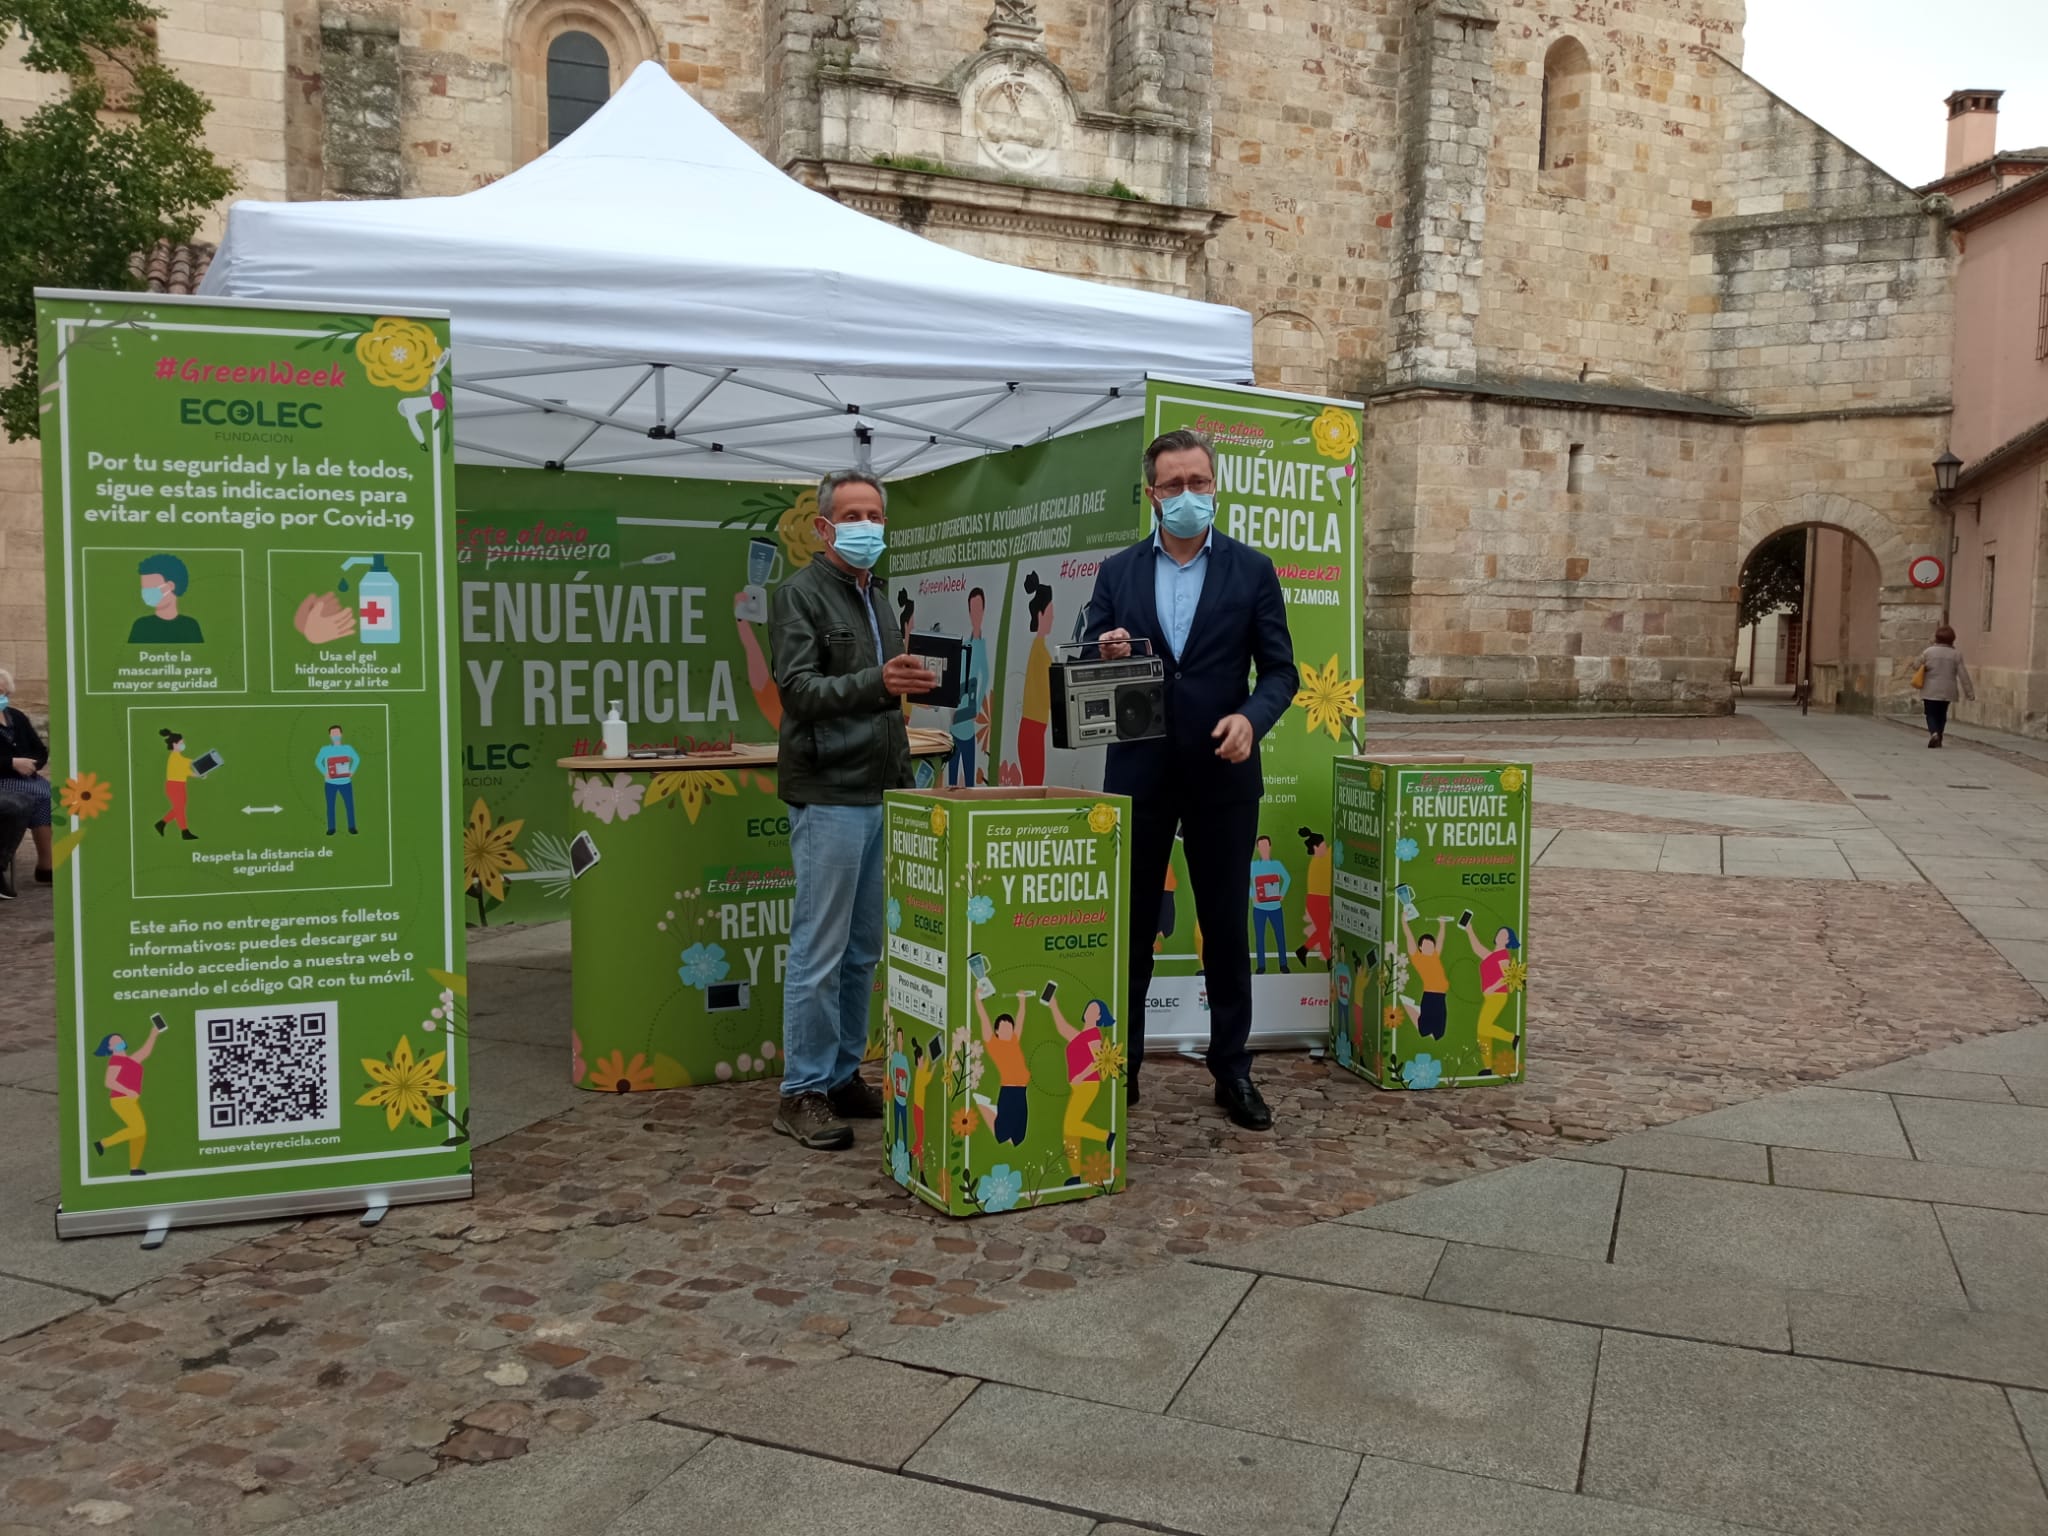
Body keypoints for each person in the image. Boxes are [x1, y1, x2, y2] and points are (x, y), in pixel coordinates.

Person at [1085, 428, 1298, 1130]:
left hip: (1222, 773)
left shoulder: (1252, 569)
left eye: (1197, 483)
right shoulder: (1117, 572)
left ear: (1215, 486)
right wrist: (1103, 648)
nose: (1186, 496)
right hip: (1141, 771)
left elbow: (1281, 671)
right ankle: (1125, 1065)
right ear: (1151, 494)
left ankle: (1232, 1071)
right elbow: (1089, 654)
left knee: (1225, 929)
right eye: (1172, 485)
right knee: (1133, 927)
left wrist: (1252, 719)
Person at [769, 468, 934, 1150]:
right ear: (824, 526)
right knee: (819, 950)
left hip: (880, 788)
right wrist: (877, 680)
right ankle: (800, 1091)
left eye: (876, 515)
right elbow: (798, 690)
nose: (868, 526)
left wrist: (905, 678)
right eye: (854, 515)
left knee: (863, 951)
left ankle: (841, 1075)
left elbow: (878, 691)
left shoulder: (880, 596)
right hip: (830, 792)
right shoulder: (799, 595)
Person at [0, 669, 53, 900]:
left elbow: (39, 749)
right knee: (36, 795)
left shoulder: (16, 716)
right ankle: (46, 866)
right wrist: (12, 763)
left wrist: (34, 764)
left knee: (48, 793)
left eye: (3, 690)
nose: (1, 694)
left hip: (25, 777)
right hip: (3, 778)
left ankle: (46, 864)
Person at [92, 1018, 167, 1176]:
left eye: (121, 1040)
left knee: (140, 1133)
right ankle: (103, 1143)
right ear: (110, 1047)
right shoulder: (116, 1060)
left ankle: (134, 1168)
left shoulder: (130, 1060)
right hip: (121, 1100)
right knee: (139, 1129)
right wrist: (127, 1091)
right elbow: (109, 1081)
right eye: (115, 1042)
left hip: (129, 1100)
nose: (120, 1042)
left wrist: (154, 1034)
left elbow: (145, 1051)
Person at [1049, 993, 1116, 1170]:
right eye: (1089, 1007)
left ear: (1100, 1016)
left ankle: (1106, 1136)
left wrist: (1081, 1076)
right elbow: (1063, 1028)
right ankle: (1075, 1175)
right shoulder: (1082, 1035)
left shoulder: (1093, 1035)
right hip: (1079, 1086)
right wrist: (1053, 1005)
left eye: (1094, 1009)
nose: (1089, 1010)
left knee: (1071, 1126)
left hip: (1088, 1084)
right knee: (1070, 1130)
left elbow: (1098, 1061)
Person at [973, 989, 1033, 1146]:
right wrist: (978, 1001)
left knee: (1018, 1137)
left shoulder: (1014, 1040)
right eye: (1004, 1028)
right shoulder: (994, 1045)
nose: (1008, 1030)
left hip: (1021, 1092)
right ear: (997, 1031)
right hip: (1009, 1092)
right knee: (1002, 1135)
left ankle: (992, 1110)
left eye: (1009, 1027)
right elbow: (984, 1020)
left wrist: (1022, 1002)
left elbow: (1020, 1021)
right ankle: (985, 1107)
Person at [949, 587, 991, 787]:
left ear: (983, 611)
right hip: (957, 719)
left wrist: (975, 705)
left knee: (970, 785)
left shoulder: (980, 646)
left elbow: (986, 676)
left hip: (969, 721)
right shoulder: (964, 646)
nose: (976, 614)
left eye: (979, 609)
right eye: (973, 610)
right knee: (951, 781)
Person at [1464, 920, 1521, 1066]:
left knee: (1482, 1027)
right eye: (1499, 932)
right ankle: (1487, 1067)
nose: (1500, 935)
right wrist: (1469, 929)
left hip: (1498, 995)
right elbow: (1477, 948)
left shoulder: (1503, 955)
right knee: (1482, 1032)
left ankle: (1512, 1038)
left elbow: (1506, 977)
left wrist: (1492, 988)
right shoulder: (1492, 955)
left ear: (1508, 940)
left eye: (1504, 934)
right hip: (1491, 996)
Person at [1016, 573, 1054, 784]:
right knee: (1034, 791)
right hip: (1032, 731)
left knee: (1034, 787)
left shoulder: (1039, 650)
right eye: (1050, 613)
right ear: (1040, 616)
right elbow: (1048, 697)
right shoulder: (1040, 653)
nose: (1053, 618)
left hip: (1033, 730)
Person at [1917, 624, 1974, 748]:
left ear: (1937, 637)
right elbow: (1963, 675)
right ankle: (1939, 736)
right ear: (1952, 639)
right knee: (1942, 714)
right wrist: (1969, 693)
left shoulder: (1928, 651)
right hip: (1948, 689)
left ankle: (1934, 733)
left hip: (1930, 689)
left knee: (1930, 713)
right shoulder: (1956, 654)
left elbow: (1916, 665)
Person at [127, 554, 204, 644]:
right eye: (145, 588)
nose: (147, 593)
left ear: (171, 586)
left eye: (152, 587)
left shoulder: (190, 626)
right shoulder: (141, 626)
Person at [1401, 915, 1451, 1041]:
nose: (1430, 948)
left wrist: (1442, 925)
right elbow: (1410, 938)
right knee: (1424, 1030)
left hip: (1441, 997)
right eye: (1426, 945)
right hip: (1429, 996)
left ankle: (1417, 1010)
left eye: (1431, 946)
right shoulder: (1417, 958)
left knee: (1439, 1033)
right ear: (1420, 948)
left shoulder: (1435, 955)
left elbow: (1440, 940)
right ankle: (1413, 1009)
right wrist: (1404, 922)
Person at [1250, 834, 1291, 974]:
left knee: (1280, 935)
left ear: (1270, 847)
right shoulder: (1253, 866)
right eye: (1261, 846)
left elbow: (1287, 878)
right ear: (1257, 848)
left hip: (1275, 907)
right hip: (1259, 908)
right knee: (1260, 937)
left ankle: (1283, 964)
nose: (1264, 849)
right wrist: (1252, 895)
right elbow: (1242, 882)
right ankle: (1261, 965)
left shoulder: (1276, 865)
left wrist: (1282, 894)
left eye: (1266, 846)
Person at [1295, 828, 1332, 971]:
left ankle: (1303, 950)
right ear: (1316, 848)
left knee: (1323, 929)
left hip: (1320, 900)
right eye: (1323, 845)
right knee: (1323, 931)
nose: (1326, 848)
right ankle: (1329, 960)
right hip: (1317, 901)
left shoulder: (1322, 858)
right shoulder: (1320, 860)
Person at [315, 724, 361, 835]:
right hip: (330, 783)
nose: (335, 735)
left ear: (341, 734)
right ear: (329, 736)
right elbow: (317, 761)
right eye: (333, 733)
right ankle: (331, 828)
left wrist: (352, 771)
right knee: (330, 806)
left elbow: (357, 759)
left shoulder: (348, 748)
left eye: (337, 733)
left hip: (346, 782)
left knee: (349, 805)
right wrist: (325, 773)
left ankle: (351, 826)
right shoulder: (325, 749)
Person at [155, 729, 199, 840]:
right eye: (181, 743)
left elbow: (187, 765)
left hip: (179, 785)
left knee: (179, 808)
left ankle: (161, 823)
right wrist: (198, 773)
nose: (183, 745)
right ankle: (185, 832)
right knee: (180, 809)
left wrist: (198, 770)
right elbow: (187, 770)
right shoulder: (175, 758)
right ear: (174, 744)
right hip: (174, 786)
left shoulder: (179, 758)